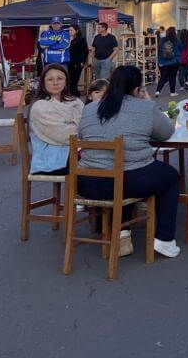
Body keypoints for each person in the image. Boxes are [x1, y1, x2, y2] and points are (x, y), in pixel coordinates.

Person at [77, 65, 181, 258]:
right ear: (136, 89)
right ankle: (164, 239)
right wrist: (147, 102)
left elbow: (82, 135)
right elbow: (166, 132)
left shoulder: (90, 108)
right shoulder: (145, 107)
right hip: (125, 181)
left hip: (87, 181)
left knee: (126, 173)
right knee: (170, 176)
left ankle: (117, 229)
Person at [28, 64, 83, 175]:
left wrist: (72, 124)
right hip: (52, 158)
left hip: (75, 150)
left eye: (60, 78)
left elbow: (88, 125)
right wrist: (77, 125)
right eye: (50, 79)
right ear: (43, 84)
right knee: (99, 163)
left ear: (66, 82)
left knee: (106, 158)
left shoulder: (76, 102)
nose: (55, 83)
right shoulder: (40, 107)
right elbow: (63, 135)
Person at [155, 26, 182, 97]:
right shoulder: (177, 40)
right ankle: (172, 92)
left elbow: (159, 49)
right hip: (174, 62)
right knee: (172, 77)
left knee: (163, 77)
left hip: (163, 62)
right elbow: (182, 49)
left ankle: (158, 91)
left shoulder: (162, 40)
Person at [64, 25, 88, 97]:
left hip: (77, 62)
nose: (70, 32)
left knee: (75, 79)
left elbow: (85, 51)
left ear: (76, 31)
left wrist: (82, 62)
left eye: (71, 30)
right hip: (68, 62)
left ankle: (74, 94)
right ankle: (72, 93)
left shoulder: (81, 39)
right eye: (69, 30)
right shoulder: (67, 39)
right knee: (69, 78)